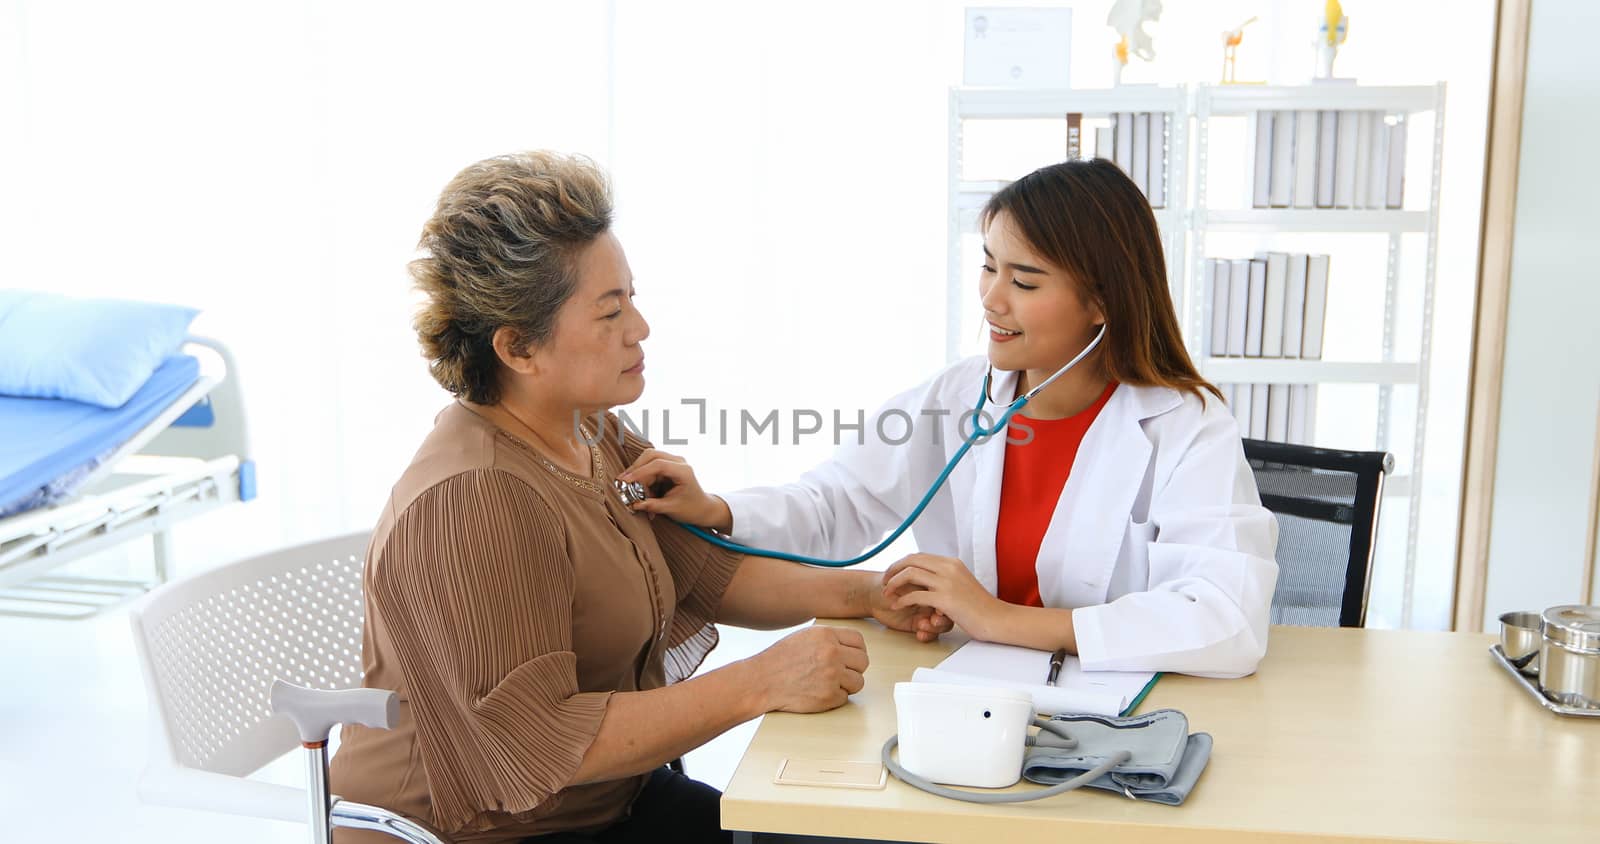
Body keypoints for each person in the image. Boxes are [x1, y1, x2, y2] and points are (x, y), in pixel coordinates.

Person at [328, 151, 943, 844]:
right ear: (518, 348)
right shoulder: (471, 500)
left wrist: (870, 595)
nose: (640, 329)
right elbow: (535, 743)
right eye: (610, 312)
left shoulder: (590, 430)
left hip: (607, 805)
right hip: (483, 833)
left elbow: (706, 574)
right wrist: (758, 683)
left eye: (633, 300)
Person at [621, 158, 1279, 678]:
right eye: (989, 267)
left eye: (1024, 282)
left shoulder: (1186, 426)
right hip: (977, 700)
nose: (991, 298)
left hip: (1121, 715)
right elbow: (840, 502)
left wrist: (996, 619)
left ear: (1102, 302)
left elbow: (1225, 619)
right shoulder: (958, 396)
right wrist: (719, 511)